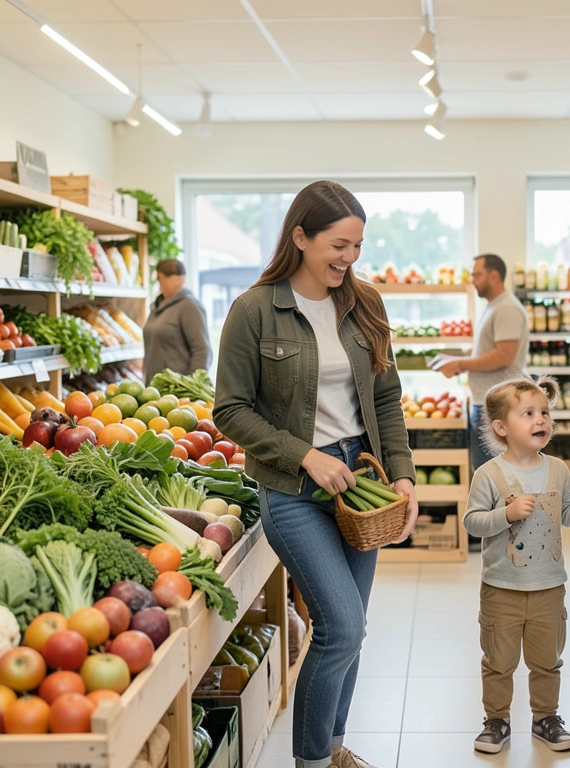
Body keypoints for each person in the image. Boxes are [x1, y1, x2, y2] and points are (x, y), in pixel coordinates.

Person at [214, 181, 418, 768]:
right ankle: (311, 760)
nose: (348, 258)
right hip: (292, 487)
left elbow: (386, 400)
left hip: (362, 482)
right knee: (342, 628)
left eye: (356, 246)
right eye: (338, 244)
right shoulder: (255, 309)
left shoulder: (365, 304)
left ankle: (333, 748)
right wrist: (305, 454)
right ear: (299, 236)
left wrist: (401, 475)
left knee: (351, 631)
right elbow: (228, 409)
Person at [463, 376, 570, 756]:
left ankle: (546, 718)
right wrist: (505, 513)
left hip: (548, 587)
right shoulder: (488, 475)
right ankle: (496, 720)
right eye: (528, 413)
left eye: (544, 412)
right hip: (501, 589)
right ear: (502, 428)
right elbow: (472, 522)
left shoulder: (556, 469)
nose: (541, 419)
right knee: (498, 662)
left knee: (546, 661)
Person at [430, 253, 529, 470]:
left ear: (494, 276)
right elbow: (488, 349)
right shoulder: (495, 306)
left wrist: (461, 364)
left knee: (494, 476)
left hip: (496, 406)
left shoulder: (507, 308)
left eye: (477, 275)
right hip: (486, 403)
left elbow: (504, 355)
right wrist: (458, 358)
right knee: (487, 473)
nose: (472, 280)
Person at [142, 258, 211, 381]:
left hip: (177, 391)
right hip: (154, 388)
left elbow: (202, 351)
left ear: (161, 276)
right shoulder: (157, 306)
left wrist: (190, 386)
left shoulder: (189, 306)